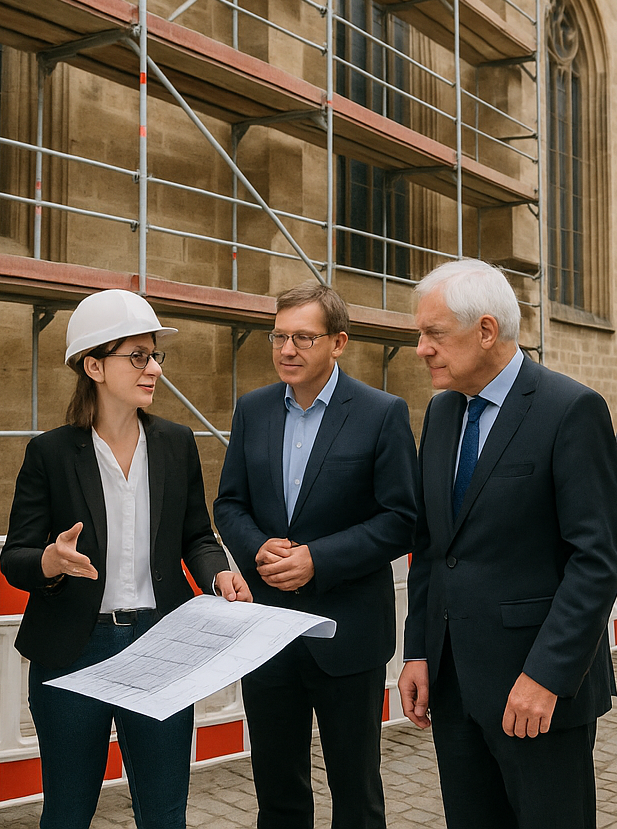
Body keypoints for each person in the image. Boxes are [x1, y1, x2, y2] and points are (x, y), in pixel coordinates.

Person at [0, 290, 252, 829]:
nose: (153, 367)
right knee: (67, 811)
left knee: (164, 813)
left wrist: (218, 574)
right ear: (93, 365)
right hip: (72, 648)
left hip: (162, 641)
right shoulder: (49, 453)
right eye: (137, 355)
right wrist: (50, 560)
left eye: (155, 355)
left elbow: (197, 537)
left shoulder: (176, 443)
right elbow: (16, 558)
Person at [397, 259, 617, 829]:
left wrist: (545, 676)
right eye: (420, 334)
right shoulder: (443, 409)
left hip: (538, 695)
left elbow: (595, 561)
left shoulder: (570, 409)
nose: (421, 349)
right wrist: (421, 651)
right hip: (454, 690)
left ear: (486, 331)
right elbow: (433, 547)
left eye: (434, 334)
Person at [214, 282, 417, 829]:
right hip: (266, 631)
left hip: (346, 633)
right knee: (277, 793)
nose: (286, 349)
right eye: (279, 335)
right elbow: (229, 503)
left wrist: (317, 559)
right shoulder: (253, 409)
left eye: (303, 337)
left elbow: (402, 519)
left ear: (339, 343)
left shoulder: (381, 412)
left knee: (355, 791)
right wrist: (257, 547)